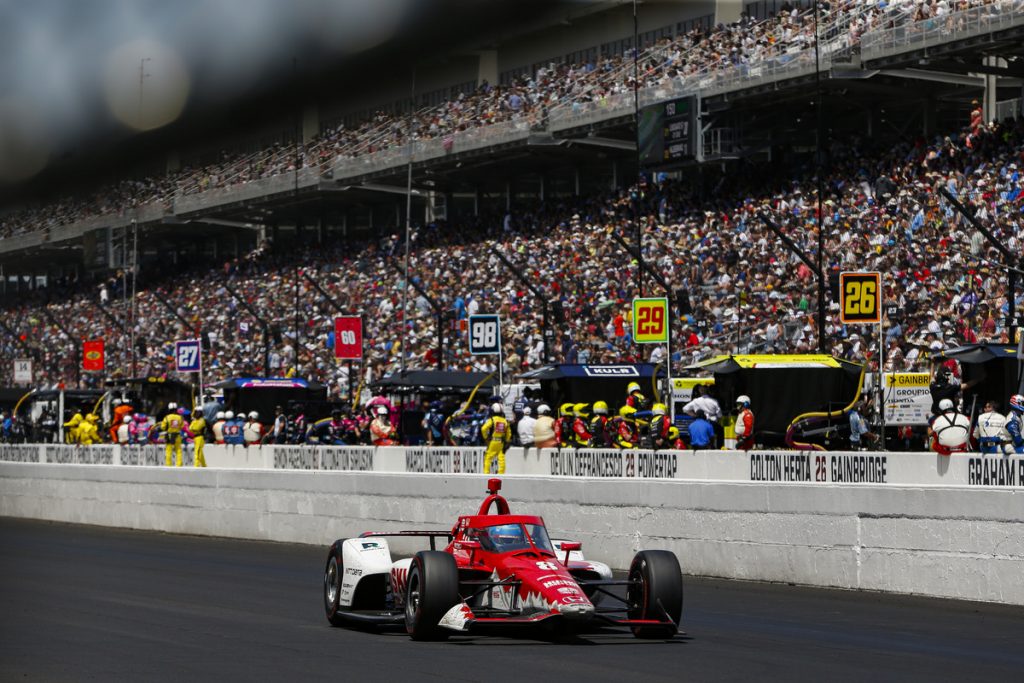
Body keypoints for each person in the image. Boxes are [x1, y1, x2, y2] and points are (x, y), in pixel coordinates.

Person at [480, 402, 511, 474]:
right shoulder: (505, 421)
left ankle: (486, 474)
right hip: (501, 443)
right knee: (501, 458)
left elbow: (483, 429)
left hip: (492, 442)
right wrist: (507, 441)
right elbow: (508, 433)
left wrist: (486, 437)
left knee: (488, 457)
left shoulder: (492, 420)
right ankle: (501, 474)